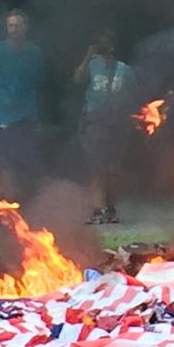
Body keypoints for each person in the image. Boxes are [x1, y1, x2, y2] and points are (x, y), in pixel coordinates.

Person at [72, 29, 132, 224]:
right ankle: (97, 209)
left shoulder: (124, 69)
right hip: (94, 122)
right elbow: (77, 79)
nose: (103, 47)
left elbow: (132, 94)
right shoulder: (91, 66)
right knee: (95, 167)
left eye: (106, 43)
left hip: (115, 122)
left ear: (113, 47)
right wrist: (88, 57)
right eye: (99, 43)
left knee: (113, 169)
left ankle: (111, 207)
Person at [0, 9, 42, 170]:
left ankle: (23, 193)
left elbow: (39, 81)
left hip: (25, 114)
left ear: (26, 27)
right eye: (10, 25)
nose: (13, 29)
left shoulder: (34, 52)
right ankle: (3, 191)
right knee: (3, 158)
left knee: (25, 158)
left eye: (17, 25)